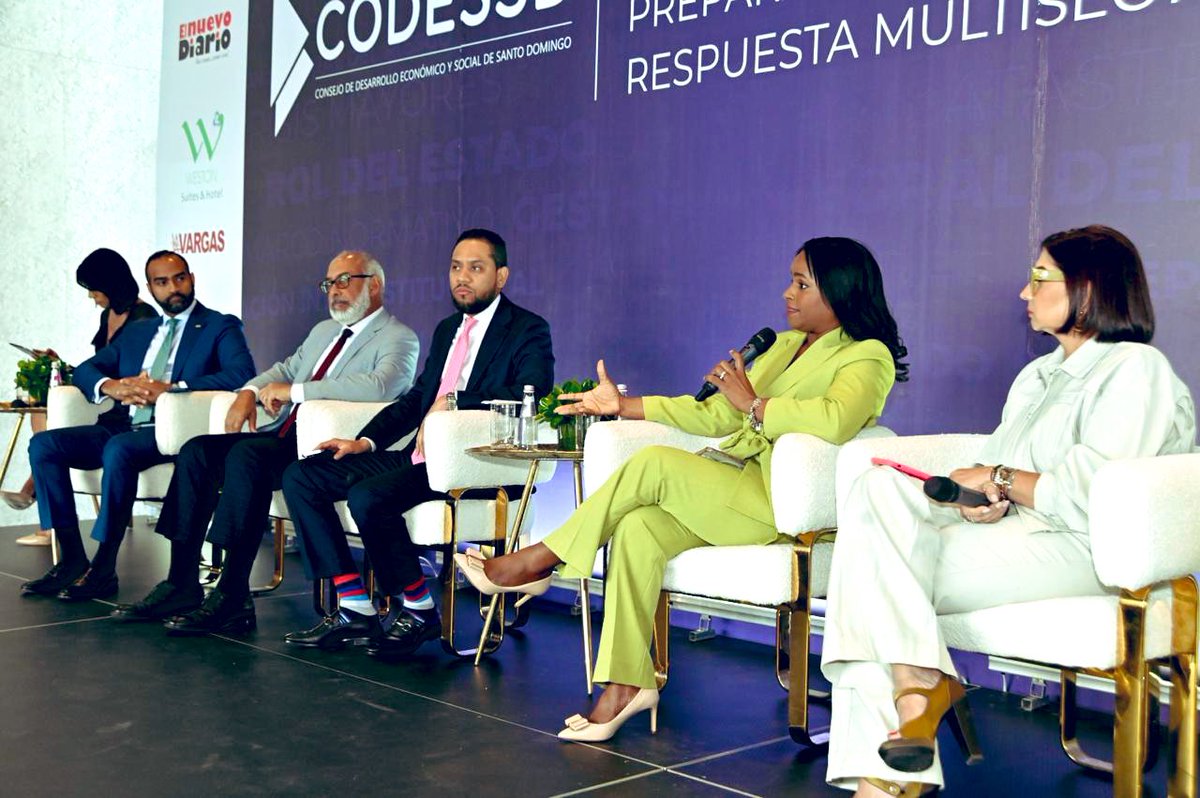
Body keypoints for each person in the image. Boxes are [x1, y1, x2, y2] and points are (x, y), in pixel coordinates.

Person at [458, 236, 908, 741]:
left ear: (840, 291)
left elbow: (836, 420)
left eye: (802, 283)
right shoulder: (783, 346)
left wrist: (755, 404)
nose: (787, 293)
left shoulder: (868, 357)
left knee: (652, 464)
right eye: (790, 279)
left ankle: (541, 558)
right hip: (728, 480)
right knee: (638, 526)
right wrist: (621, 407)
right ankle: (626, 684)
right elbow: (714, 413)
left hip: (776, 502)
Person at [819, 225, 1196, 797]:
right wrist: (984, 500)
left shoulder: (1135, 370)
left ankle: (896, 757)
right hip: (1019, 535)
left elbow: (1096, 496)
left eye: (1039, 277)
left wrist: (1000, 479)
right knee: (874, 493)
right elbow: (1000, 469)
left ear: (1088, 290)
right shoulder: (1038, 376)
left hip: (1083, 549)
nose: (1024, 292)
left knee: (869, 574)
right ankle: (914, 694)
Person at [276, 228, 553, 655]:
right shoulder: (447, 330)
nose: (462, 277)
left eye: (476, 268)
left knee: (369, 496)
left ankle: (419, 609)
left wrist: (455, 401)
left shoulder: (527, 329)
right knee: (303, 476)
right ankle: (355, 607)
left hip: (471, 461)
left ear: (501, 277)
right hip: (421, 457)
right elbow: (415, 400)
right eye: (456, 267)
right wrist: (365, 442)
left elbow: (529, 394)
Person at [112, 250, 421, 629]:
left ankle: (232, 593)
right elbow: (283, 369)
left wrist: (295, 392)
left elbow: (381, 386)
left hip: (322, 444)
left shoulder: (399, 337)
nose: (334, 291)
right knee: (198, 451)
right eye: (329, 283)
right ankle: (181, 581)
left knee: (248, 455)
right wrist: (247, 391)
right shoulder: (324, 331)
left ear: (374, 285)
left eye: (345, 280)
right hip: (281, 433)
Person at [20, 251, 256, 600]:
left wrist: (173, 389)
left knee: (120, 449)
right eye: (162, 282)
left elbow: (242, 374)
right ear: (150, 287)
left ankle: (103, 566)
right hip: (121, 424)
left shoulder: (219, 325)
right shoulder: (141, 331)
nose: (173, 288)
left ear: (191, 278)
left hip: (169, 430)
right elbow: (86, 369)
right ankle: (71, 558)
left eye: (180, 278)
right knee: (44, 445)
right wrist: (110, 386)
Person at [5, 248, 158, 546]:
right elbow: (99, 368)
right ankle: (62, 542)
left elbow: (126, 372)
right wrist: (60, 365)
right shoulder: (107, 316)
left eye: (92, 290)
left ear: (109, 285)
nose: (91, 297)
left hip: (129, 417)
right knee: (42, 436)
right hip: (104, 409)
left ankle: (34, 493)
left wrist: (107, 382)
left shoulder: (145, 319)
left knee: (62, 432)